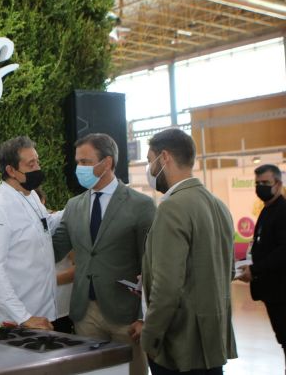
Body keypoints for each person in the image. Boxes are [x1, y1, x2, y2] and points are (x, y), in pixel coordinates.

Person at [134, 128, 237, 374]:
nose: (149, 170)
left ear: (165, 158)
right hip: (212, 344)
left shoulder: (172, 208)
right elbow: (226, 269)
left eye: (150, 161)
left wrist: (150, 337)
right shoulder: (218, 205)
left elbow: (168, 287)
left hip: (180, 348)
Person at [52, 133, 155, 375]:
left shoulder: (141, 206)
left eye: (86, 162)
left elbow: (152, 264)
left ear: (107, 163)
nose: (79, 168)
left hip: (127, 315)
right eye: (78, 162)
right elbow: (53, 249)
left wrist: (145, 316)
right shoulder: (74, 206)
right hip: (84, 312)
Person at [0, 136, 60, 330]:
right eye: (31, 164)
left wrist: (76, 209)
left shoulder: (29, 193)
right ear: (11, 171)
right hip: (16, 323)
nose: (37, 168)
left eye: (37, 161)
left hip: (41, 316)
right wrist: (24, 317)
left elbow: (44, 224)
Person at [237, 164, 286, 369]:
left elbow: (283, 251)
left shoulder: (282, 211)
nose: (261, 187)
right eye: (257, 183)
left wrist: (255, 270)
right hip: (271, 291)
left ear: (278, 184)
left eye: (265, 183)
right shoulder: (267, 210)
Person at [36, 187, 74, 334]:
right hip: (33, 311)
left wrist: (47, 281)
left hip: (60, 311)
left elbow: (79, 269)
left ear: (43, 201)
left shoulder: (60, 225)